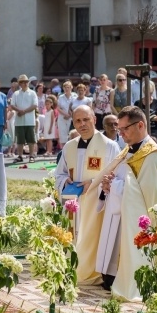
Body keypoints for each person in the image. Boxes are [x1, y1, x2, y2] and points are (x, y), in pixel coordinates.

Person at [97, 106, 157, 299]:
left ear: (140, 125)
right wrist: (108, 186)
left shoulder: (153, 157)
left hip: (145, 223)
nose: (120, 134)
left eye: (124, 129)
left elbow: (148, 200)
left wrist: (114, 186)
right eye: (118, 129)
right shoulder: (128, 151)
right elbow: (125, 184)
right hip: (124, 218)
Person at [55, 105, 120, 285]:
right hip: (73, 202)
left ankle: (93, 272)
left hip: (98, 203)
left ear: (94, 120)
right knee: (73, 235)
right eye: (78, 121)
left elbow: (117, 175)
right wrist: (64, 182)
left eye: (86, 119)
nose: (82, 124)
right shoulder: (69, 147)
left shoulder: (109, 146)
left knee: (93, 238)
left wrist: (93, 184)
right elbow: (59, 174)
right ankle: (72, 268)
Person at [11, 74, 39, 163]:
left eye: (26, 82)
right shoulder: (16, 94)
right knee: (20, 140)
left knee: (31, 139)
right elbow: (12, 105)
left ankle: (31, 155)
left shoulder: (32, 93)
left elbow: (35, 105)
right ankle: (20, 155)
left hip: (30, 120)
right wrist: (19, 110)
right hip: (19, 120)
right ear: (20, 83)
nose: (25, 83)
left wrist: (23, 111)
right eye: (23, 82)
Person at [57, 80, 76, 149]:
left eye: (68, 87)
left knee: (72, 133)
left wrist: (69, 115)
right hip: (62, 118)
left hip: (72, 118)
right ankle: (63, 151)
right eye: (65, 87)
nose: (66, 89)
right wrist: (65, 114)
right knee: (62, 135)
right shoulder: (60, 97)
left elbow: (76, 107)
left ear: (71, 87)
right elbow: (58, 108)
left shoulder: (75, 96)